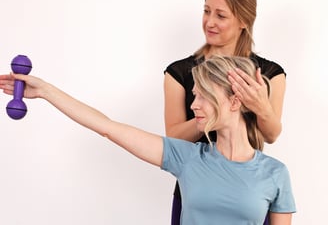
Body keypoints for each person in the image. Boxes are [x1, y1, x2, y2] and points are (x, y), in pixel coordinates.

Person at [0, 55, 296, 224]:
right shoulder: (188, 158)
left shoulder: (275, 174)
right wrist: (45, 91)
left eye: (203, 96)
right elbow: (107, 126)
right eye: (194, 96)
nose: (193, 105)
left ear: (235, 102)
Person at [163, 0, 286, 223]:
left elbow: (271, 134)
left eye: (220, 15)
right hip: (195, 194)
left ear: (244, 21)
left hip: (250, 196)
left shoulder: (269, 74)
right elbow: (173, 140)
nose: (209, 22)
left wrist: (260, 106)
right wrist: (214, 110)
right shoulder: (179, 72)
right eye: (206, 11)